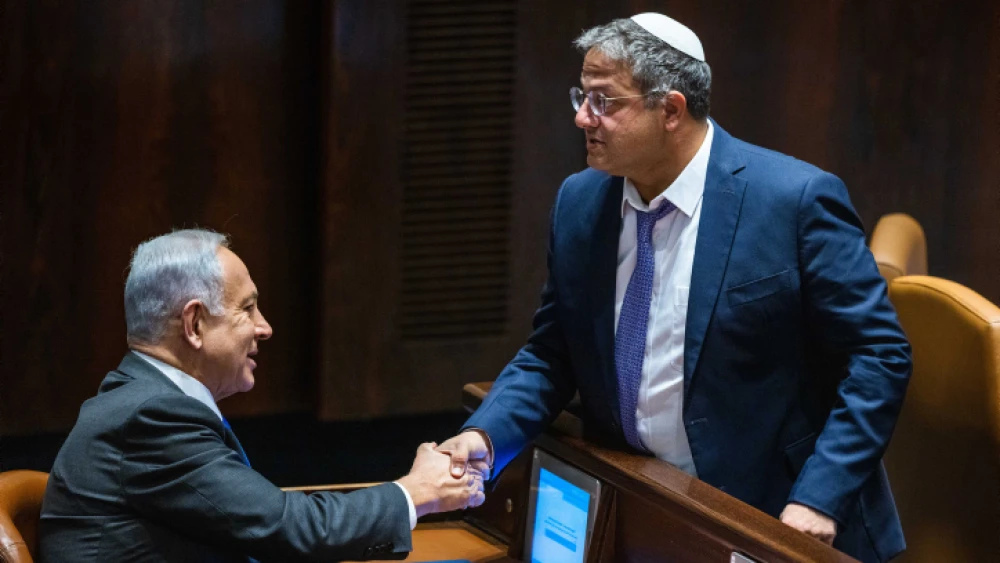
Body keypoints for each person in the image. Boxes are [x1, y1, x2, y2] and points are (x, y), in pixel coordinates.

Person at [436, 13, 911, 562]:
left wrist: (819, 498)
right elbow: (551, 353)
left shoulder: (794, 200)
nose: (581, 118)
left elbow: (880, 355)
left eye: (603, 101)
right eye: (580, 96)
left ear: (671, 109)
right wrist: (483, 439)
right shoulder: (580, 202)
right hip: (644, 506)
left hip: (774, 520)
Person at [39, 229, 483, 562]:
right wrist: (417, 492)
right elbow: (287, 527)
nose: (264, 327)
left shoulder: (142, 400)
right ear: (194, 325)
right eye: (247, 309)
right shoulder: (149, 417)